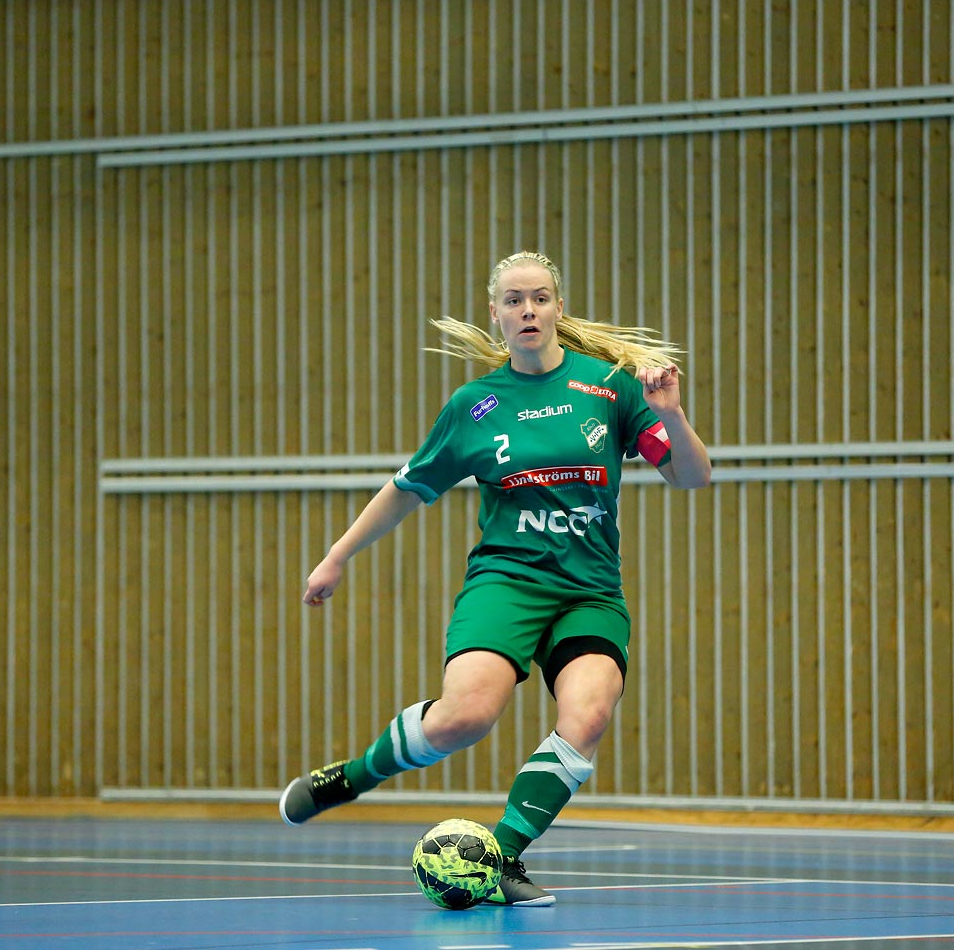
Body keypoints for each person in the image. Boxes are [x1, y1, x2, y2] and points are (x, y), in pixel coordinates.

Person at [281, 250, 711, 907]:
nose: (528, 310)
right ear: (497, 315)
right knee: (465, 716)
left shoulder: (612, 389)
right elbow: (407, 488)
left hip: (588, 590)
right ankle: (354, 776)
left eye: (539, 298)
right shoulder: (475, 406)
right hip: (507, 581)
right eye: (514, 301)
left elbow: (691, 475)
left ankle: (503, 857)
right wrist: (338, 554)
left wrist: (673, 415)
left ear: (558, 308)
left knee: (589, 713)